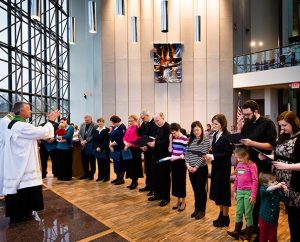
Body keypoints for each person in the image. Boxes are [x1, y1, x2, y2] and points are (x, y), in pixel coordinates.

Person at [1, 102, 60, 224]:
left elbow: (35, 133)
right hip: (22, 164)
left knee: (24, 189)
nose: (31, 111)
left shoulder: (18, 124)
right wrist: (51, 121)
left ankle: (24, 212)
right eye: (28, 109)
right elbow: (41, 132)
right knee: (22, 189)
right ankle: (19, 215)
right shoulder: (19, 125)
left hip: (21, 162)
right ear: (21, 111)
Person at [240, 100, 277, 239]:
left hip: (262, 167)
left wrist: (252, 143)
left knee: (260, 199)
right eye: (244, 115)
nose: (246, 118)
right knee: (249, 199)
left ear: (256, 111)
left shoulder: (268, 124)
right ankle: (251, 226)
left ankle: (260, 229)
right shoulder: (247, 124)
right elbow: (244, 140)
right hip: (249, 165)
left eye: (248, 114)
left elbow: (272, 146)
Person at [272, 111, 300, 242]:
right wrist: (268, 157)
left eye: (284, 125)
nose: (282, 129)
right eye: (280, 126)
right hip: (283, 183)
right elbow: (280, 156)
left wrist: (287, 166)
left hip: (296, 184)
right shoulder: (284, 137)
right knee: (291, 217)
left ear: (293, 123)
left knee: (296, 217)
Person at [204, 114, 233, 227]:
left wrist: (212, 156)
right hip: (216, 166)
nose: (214, 126)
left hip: (223, 168)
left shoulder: (227, 136)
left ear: (222, 124)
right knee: (218, 192)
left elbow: (227, 154)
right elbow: (215, 150)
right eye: (213, 123)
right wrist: (209, 154)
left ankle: (226, 217)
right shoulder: (216, 134)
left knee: (224, 192)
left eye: (216, 124)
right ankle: (221, 214)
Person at [227, 146, 258, 241]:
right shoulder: (239, 165)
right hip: (239, 191)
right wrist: (235, 191)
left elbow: (255, 181)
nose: (238, 159)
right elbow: (237, 178)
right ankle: (237, 231)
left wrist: (253, 195)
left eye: (239, 157)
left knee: (248, 214)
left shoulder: (252, 165)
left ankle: (248, 234)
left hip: (248, 192)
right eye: (236, 157)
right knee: (239, 212)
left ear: (246, 155)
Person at [185, 121, 210, 219]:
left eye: (197, 130)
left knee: (201, 190)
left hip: (200, 169)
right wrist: (187, 165)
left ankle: (202, 210)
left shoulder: (205, 140)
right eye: (194, 130)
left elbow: (203, 155)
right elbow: (186, 153)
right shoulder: (190, 140)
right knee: (195, 190)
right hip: (190, 168)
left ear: (201, 129)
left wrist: (195, 167)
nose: (196, 132)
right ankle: (197, 208)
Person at [147, 112, 171, 207]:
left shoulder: (168, 128)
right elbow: (157, 139)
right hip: (156, 156)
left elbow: (166, 143)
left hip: (164, 156)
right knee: (156, 176)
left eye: (157, 120)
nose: (156, 123)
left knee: (164, 178)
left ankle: (166, 198)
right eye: (155, 121)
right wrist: (152, 142)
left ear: (163, 118)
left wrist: (154, 144)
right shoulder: (159, 127)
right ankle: (157, 194)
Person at [258, 172, 287, 242]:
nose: (276, 182)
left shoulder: (277, 190)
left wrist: (284, 190)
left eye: (276, 180)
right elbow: (267, 190)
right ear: (265, 184)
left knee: (273, 238)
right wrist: (277, 186)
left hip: (274, 220)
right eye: (273, 181)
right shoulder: (263, 189)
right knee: (263, 238)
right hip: (263, 219)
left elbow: (283, 199)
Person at [138, 110, 158, 195]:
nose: (142, 119)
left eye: (143, 118)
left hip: (152, 150)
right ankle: (148, 186)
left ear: (147, 115)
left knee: (152, 169)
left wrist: (147, 146)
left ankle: (153, 188)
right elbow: (141, 135)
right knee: (147, 169)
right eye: (141, 118)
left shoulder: (153, 123)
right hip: (145, 149)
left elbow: (152, 137)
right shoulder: (143, 124)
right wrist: (138, 125)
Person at [169, 123, 188, 211]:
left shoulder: (184, 138)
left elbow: (185, 153)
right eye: (172, 133)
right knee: (175, 182)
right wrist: (170, 140)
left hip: (181, 163)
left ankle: (183, 202)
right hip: (174, 162)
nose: (173, 135)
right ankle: (178, 201)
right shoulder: (173, 138)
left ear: (178, 130)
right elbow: (170, 150)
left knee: (181, 182)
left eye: (174, 133)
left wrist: (177, 157)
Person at [123, 115, 143, 189]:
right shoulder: (129, 127)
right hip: (129, 149)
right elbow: (124, 137)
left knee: (135, 166)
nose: (130, 122)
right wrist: (126, 143)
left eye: (131, 121)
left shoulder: (137, 128)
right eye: (129, 121)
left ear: (136, 120)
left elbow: (137, 139)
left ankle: (135, 182)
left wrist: (129, 144)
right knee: (130, 166)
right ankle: (132, 181)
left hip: (135, 150)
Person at [109, 115, 127, 185]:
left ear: (117, 121)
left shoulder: (122, 127)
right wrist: (110, 144)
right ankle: (117, 177)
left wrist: (111, 145)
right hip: (114, 148)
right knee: (116, 163)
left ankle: (121, 179)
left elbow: (120, 139)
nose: (113, 124)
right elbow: (111, 137)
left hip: (120, 148)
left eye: (113, 122)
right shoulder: (115, 127)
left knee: (121, 164)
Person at [0, 113, 14, 197]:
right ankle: (5, 191)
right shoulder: (6, 120)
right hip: (6, 149)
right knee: (5, 169)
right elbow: (7, 137)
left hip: (6, 148)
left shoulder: (6, 120)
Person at [78, 114, 96, 180]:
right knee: (84, 161)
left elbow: (93, 135)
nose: (86, 121)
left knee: (91, 161)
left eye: (87, 120)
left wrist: (86, 141)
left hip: (90, 146)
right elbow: (79, 133)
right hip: (83, 146)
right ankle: (85, 174)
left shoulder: (95, 125)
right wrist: (81, 140)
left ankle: (91, 175)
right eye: (85, 120)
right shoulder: (82, 124)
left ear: (91, 119)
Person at [92, 118, 110, 182]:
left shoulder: (107, 130)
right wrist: (96, 147)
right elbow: (93, 140)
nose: (99, 123)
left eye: (101, 122)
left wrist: (101, 147)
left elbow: (106, 140)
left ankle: (106, 177)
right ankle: (100, 177)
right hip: (97, 149)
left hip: (104, 149)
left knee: (105, 164)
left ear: (103, 122)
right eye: (98, 122)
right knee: (99, 163)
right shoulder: (95, 130)